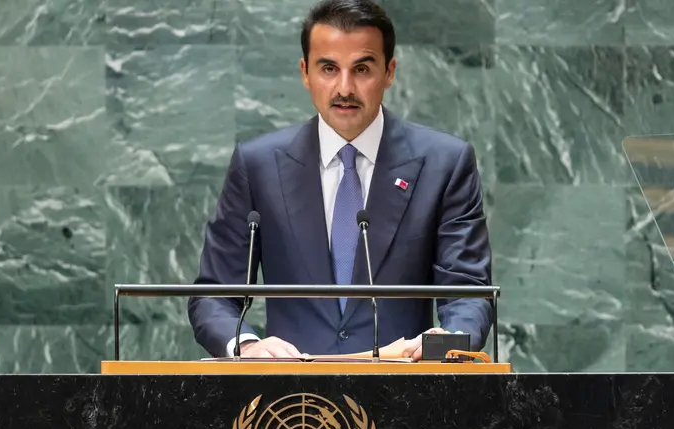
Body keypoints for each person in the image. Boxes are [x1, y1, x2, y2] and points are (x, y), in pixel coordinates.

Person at [187, 0, 492, 360]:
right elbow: (214, 295)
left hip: (408, 395)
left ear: (389, 71)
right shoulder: (257, 166)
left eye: (362, 69)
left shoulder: (445, 163)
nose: (344, 87)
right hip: (291, 402)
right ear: (305, 72)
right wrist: (248, 346)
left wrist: (444, 344)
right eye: (328, 68)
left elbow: (469, 292)